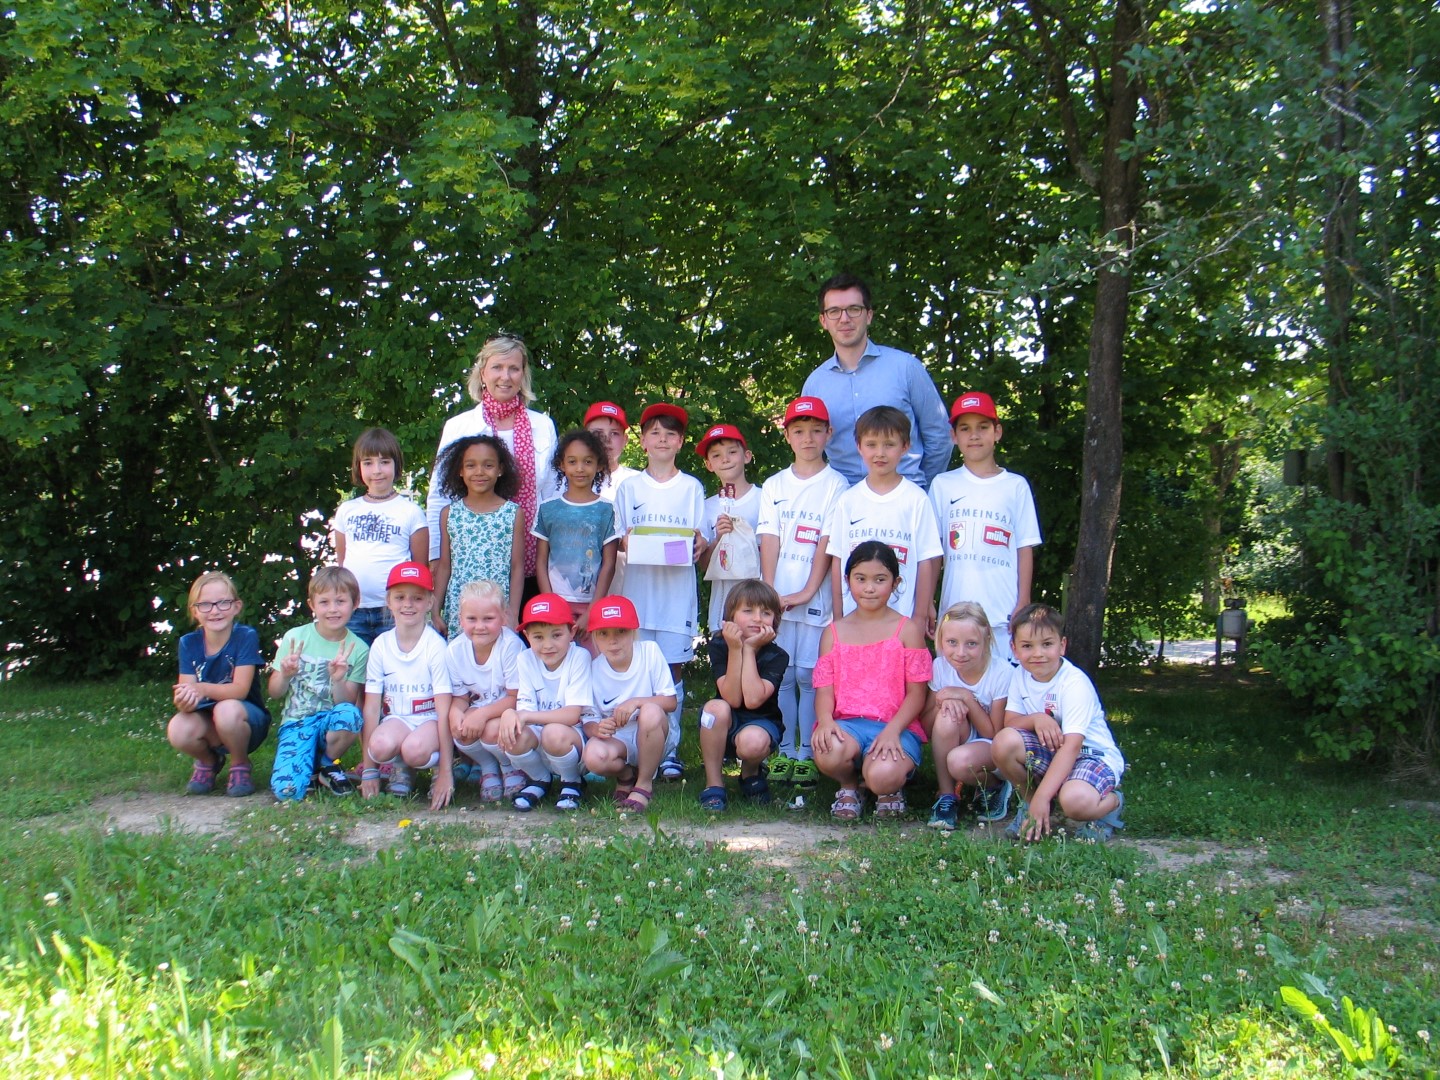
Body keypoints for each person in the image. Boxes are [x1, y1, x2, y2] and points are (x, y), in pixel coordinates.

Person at [757, 396, 849, 788]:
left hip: (816, 598)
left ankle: (809, 750)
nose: (808, 438)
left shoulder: (837, 485)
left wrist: (809, 591)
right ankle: (786, 750)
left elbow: (828, 543)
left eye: (816, 430)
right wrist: (770, 593)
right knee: (784, 673)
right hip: (778, 599)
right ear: (787, 436)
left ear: (829, 433)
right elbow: (770, 538)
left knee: (810, 673)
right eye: (799, 431)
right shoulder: (775, 484)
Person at [613, 403, 708, 782]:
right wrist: (631, 543)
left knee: (672, 672)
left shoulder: (692, 488)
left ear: (681, 442)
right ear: (643, 441)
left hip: (675, 599)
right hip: (638, 596)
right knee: (636, 672)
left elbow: (698, 539)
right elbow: (620, 539)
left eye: (670, 433)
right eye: (654, 432)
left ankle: (670, 751)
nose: (662, 439)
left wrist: (698, 544)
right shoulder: (630, 487)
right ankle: (636, 747)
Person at [427, 334, 557, 591]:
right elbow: (439, 496)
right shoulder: (460, 427)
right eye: (497, 367)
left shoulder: (542, 426)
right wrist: (435, 555)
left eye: (514, 368)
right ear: (483, 373)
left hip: (534, 562)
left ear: (523, 374)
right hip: (474, 561)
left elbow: (552, 494)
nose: (505, 377)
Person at [812, 542, 932, 821]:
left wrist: (892, 730)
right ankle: (850, 786)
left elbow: (917, 694)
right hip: (849, 725)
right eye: (860, 579)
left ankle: (885, 787)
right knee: (829, 750)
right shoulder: (834, 633)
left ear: (895, 583)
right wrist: (826, 721)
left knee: (882, 776)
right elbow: (824, 688)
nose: (869, 588)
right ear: (847, 581)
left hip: (896, 726)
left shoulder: (907, 630)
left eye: (880, 579)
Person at [991, 603, 1127, 842]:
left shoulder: (1074, 683)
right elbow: (1010, 721)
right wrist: (1037, 718)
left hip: (1091, 755)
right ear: (1014, 649)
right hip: (1054, 751)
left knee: (1075, 803)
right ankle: (1032, 805)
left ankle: (1112, 804)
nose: (1037, 654)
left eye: (1047, 644)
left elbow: (1073, 746)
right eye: (1027, 646)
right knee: (1004, 742)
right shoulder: (1020, 675)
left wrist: (1045, 795)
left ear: (1062, 645)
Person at [801, 273, 951, 488]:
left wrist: (920, 488)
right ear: (823, 321)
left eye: (854, 309)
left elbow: (939, 435)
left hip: (904, 497)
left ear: (869, 315)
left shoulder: (906, 368)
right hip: (844, 501)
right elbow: (809, 448)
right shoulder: (815, 385)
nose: (844, 319)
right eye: (834, 311)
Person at [928, 391, 1041, 659]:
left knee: (1000, 694)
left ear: (997, 432)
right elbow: (933, 552)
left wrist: (1022, 602)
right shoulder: (943, 485)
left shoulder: (1015, 486)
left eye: (982, 427)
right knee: (951, 696)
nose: (974, 436)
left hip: (1001, 616)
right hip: (954, 615)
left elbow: (1024, 548)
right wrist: (928, 602)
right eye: (965, 429)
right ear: (954, 437)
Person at [824, 405, 942, 627]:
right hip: (853, 620)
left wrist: (918, 616)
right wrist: (839, 617)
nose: (880, 453)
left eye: (889, 445)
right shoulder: (848, 500)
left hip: (901, 620)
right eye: (871, 445)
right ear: (859, 447)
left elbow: (926, 560)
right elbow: (838, 560)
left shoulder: (916, 500)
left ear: (905, 446)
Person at [266, 566, 369, 800]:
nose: (333, 609)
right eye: (324, 602)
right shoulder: (295, 637)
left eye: (340, 601)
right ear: (312, 605)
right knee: (288, 793)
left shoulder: (359, 649)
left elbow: (347, 702)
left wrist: (338, 679)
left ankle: (326, 763)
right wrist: (285, 674)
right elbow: (274, 692)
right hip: (297, 723)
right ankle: (310, 768)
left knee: (351, 715)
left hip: (329, 723)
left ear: (355, 603)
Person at [168, 571, 272, 797]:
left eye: (223, 603)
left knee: (227, 709)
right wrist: (185, 702)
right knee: (177, 728)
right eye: (205, 604)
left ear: (236, 606)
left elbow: (239, 690)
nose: (215, 610)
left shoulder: (245, 636)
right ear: (195, 611)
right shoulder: (188, 643)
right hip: (209, 720)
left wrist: (202, 689)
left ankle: (240, 763)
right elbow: (188, 693)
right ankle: (209, 761)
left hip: (244, 720)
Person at [359, 562, 454, 809]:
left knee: (415, 749)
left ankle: (433, 768)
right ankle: (401, 767)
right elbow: (371, 709)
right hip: (398, 719)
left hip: (429, 721)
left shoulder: (435, 646)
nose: (408, 604)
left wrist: (446, 773)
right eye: (400, 597)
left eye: (417, 598)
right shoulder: (381, 645)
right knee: (378, 747)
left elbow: (444, 711)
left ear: (430, 603)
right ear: (389, 601)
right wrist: (369, 771)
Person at [696, 580, 789, 811]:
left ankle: (750, 773)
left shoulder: (777, 656)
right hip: (723, 723)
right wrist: (736, 648)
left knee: (752, 743)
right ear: (730, 617)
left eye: (766, 613)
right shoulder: (720, 645)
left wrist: (748, 650)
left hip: (761, 722)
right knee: (714, 709)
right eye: (748, 611)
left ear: (774, 622)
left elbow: (753, 699)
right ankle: (714, 784)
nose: (757, 618)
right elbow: (732, 699)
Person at [332, 427, 429, 646]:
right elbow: (343, 562)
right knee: (353, 674)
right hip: (354, 608)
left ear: (396, 466)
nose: (377, 470)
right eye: (368, 463)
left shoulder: (410, 511)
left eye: (384, 461)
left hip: (394, 611)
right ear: (358, 467)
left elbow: (420, 568)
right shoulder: (347, 510)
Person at [498, 593, 593, 812]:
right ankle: (540, 779)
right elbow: (525, 708)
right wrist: (511, 716)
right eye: (538, 637)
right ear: (527, 637)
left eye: (556, 635)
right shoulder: (525, 659)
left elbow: (571, 715)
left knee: (553, 732)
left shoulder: (579, 657)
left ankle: (572, 781)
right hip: (542, 734)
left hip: (573, 737)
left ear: (572, 632)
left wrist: (524, 716)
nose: (547, 645)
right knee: (513, 735)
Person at [581, 595, 677, 813]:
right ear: (594, 636)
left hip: (655, 733)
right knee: (593, 756)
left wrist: (635, 702)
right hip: (620, 739)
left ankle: (643, 785)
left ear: (633, 631)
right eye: (603, 634)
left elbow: (670, 701)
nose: (612, 641)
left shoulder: (649, 652)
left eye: (621, 632)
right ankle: (626, 776)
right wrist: (597, 728)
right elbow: (588, 717)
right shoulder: (593, 669)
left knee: (651, 711)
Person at [923, 601, 1012, 830]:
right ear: (940, 640)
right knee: (946, 715)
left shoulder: (1001, 672)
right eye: (952, 642)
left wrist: (966, 697)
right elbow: (925, 725)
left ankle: (994, 786)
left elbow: (994, 733)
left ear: (987, 641)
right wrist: (942, 699)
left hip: (991, 747)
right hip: (958, 736)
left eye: (971, 644)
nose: (960, 653)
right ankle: (946, 797)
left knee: (959, 762)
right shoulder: (941, 667)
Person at [532, 429, 620, 642]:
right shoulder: (548, 508)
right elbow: (541, 561)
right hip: (557, 603)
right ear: (562, 465)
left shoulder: (607, 510)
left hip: (592, 603)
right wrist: (551, 604)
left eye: (588, 462)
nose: (580, 468)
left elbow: (609, 564)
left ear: (599, 465)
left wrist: (593, 610)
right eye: (572, 462)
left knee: (591, 664)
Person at [431, 435, 524, 636]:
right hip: (460, 608)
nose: (479, 472)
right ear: (460, 470)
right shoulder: (450, 513)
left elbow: (517, 567)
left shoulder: (513, 513)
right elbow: (445, 566)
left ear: (500, 469)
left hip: (498, 609)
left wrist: (514, 612)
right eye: (471, 465)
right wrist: (435, 609)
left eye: (488, 465)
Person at [445, 580, 523, 802]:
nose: (480, 626)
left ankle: (509, 767)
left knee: (490, 729)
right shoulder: (455, 651)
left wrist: (480, 714)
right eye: (472, 619)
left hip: (508, 710)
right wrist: (455, 713)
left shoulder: (511, 646)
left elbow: (515, 698)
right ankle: (488, 766)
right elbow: (460, 698)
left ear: (503, 618)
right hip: (481, 708)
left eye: (488, 619)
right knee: (460, 727)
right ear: (461, 620)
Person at [697, 422, 761, 634]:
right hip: (723, 606)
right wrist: (717, 538)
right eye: (716, 455)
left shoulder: (764, 498)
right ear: (708, 465)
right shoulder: (707, 506)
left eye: (732, 452)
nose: (725, 459)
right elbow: (705, 564)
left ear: (747, 456)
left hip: (759, 604)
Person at [585, 401, 638, 501]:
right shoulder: (565, 481)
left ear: (625, 440)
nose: (606, 439)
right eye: (598, 433)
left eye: (614, 433)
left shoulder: (638, 482)